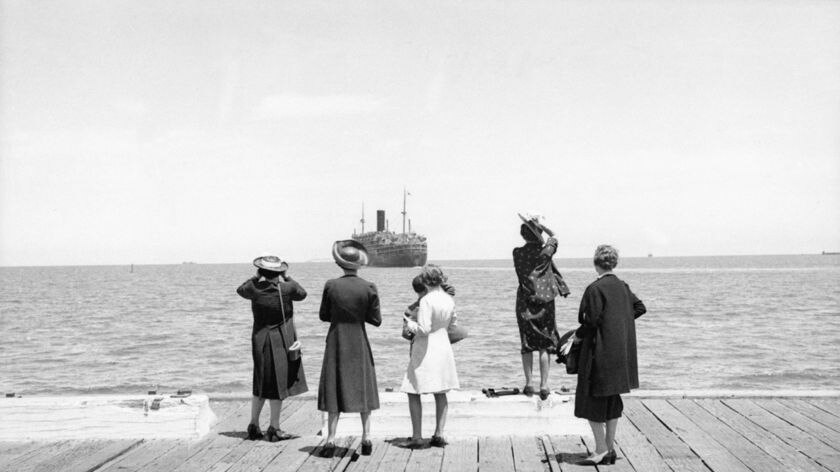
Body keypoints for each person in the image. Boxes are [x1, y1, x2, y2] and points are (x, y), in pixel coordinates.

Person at [572, 245, 646, 465]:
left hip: (599, 353)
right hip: (620, 354)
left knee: (590, 400)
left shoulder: (595, 288)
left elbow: (590, 321)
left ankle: (601, 449)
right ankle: (609, 449)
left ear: (595, 263)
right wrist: (618, 322)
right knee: (613, 400)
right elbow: (640, 308)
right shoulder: (623, 287)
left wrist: (576, 337)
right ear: (614, 263)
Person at [317, 240, 381, 457]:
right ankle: (367, 438)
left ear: (339, 263)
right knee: (363, 387)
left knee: (334, 387)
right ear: (359, 264)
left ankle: (331, 440)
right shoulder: (369, 287)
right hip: (359, 340)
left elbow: (324, 315)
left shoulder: (331, 285)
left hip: (336, 340)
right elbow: (376, 320)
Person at [236, 254, 308, 442]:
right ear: (280, 271)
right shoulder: (287, 288)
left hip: (259, 339)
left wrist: (255, 277)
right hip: (280, 340)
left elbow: (240, 289)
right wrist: (287, 277)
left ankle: (253, 424)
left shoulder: (254, 288)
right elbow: (302, 294)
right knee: (278, 383)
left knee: (260, 382)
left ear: (261, 271)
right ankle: (274, 428)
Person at [400, 265, 460, 449]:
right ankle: (439, 434)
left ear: (426, 281)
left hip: (426, 348)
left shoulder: (426, 300)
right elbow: (454, 324)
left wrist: (410, 324)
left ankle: (417, 436)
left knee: (412, 390)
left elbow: (424, 329)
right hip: (443, 345)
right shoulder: (448, 299)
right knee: (441, 392)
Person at [513, 213, 570, 400]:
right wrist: (543, 228)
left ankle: (529, 383)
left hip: (524, 301)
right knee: (544, 344)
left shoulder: (517, 253)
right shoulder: (545, 253)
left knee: (527, 343)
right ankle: (544, 385)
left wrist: (534, 228)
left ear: (523, 235)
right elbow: (554, 237)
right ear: (539, 236)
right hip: (545, 301)